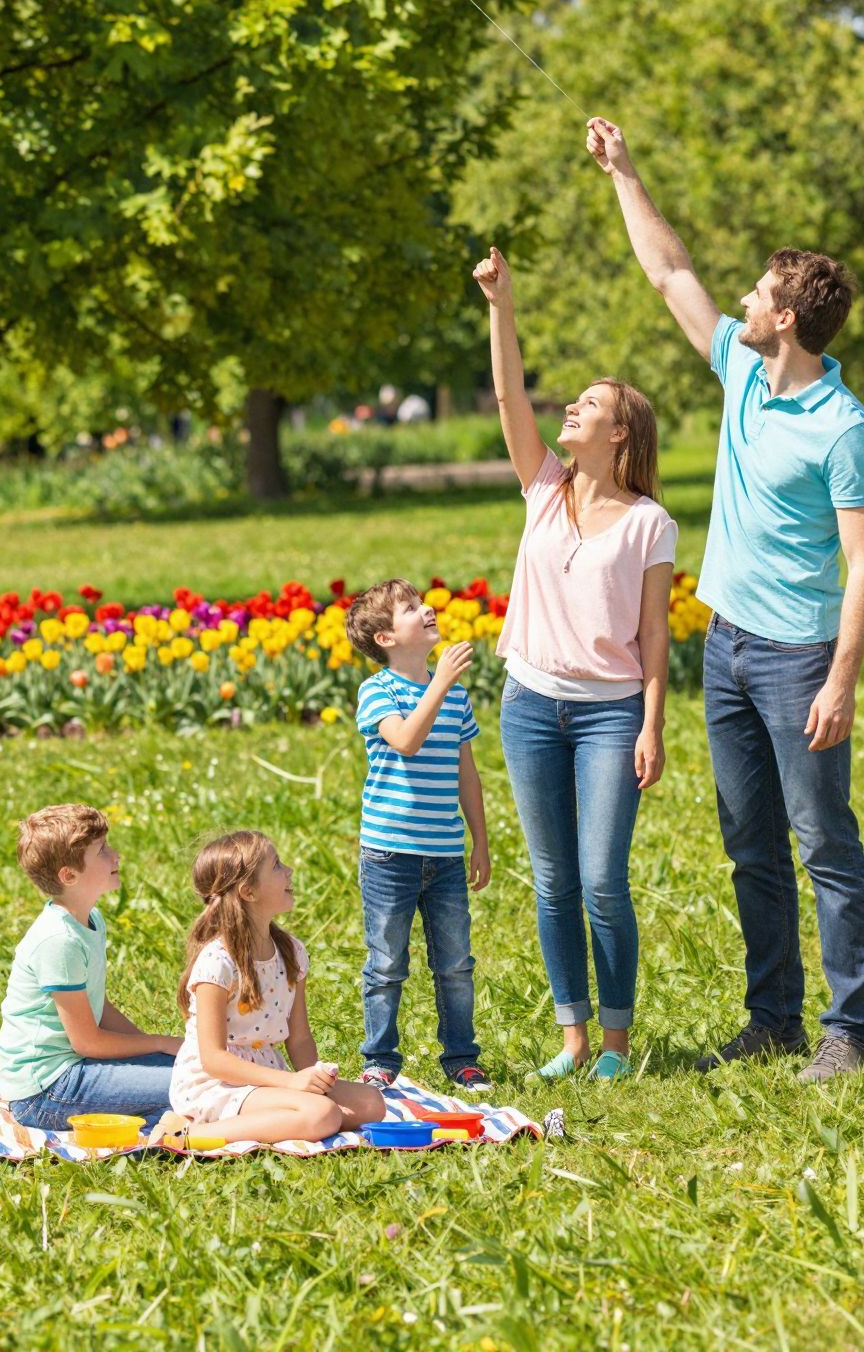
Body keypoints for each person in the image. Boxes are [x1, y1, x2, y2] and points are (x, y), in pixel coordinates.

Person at [586, 116, 864, 1082]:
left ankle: (851, 1029)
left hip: (801, 657)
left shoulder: (844, 429)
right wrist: (625, 172)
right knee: (749, 844)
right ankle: (775, 1018)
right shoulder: (743, 372)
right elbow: (671, 272)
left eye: (758, 293)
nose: (742, 302)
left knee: (822, 843)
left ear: (787, 319)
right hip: (728, 645)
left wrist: (839, 682)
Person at [474, 245, 674, 1083]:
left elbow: (656, 637)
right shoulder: (543, 488)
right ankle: (572, 1041)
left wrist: (653, 723)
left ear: (618, 431)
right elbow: (509, 393)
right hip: (529, 705)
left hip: (609, 714)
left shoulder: (648, 523)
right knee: (552, 882)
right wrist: (501, 303)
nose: (569, 408)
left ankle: (618, 1046)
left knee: (600, 880)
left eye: (587, 405)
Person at [346, 580, 492, 1093]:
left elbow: (466, 771)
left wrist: (480, 840)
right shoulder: (378, 690)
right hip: (389, 853)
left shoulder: (454, 696)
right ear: (386, 637)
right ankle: (380, 1059)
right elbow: (406, 741)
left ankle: (462, 1057)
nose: (427, 608)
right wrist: (441, 683)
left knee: (455, 964)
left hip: (446, 853)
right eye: (411, 608)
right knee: (386, 963)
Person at [162, 829, 384, 1144]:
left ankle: (285, 1119)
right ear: (248, 891)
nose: (289, 871)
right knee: (322, 1114)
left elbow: (300, 1036)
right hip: (215, 1084)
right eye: (277, 866)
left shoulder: (291, 953)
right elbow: (213, 1059)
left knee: (371, 1103)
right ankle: (188, 1132)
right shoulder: (218, 962)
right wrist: (292, 1085)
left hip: (267, 1076)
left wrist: (313, 1079)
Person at [0, 804, 180, 1131]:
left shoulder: (90, 920)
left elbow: (98, 1006)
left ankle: (159, 1118)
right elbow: (88, 1042)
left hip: (76, 1069)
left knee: (188, 1071)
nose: (116, 856)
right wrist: (158, 1043)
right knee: (189, 1089)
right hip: (47, 1093)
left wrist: (154, 1055)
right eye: (102, 851)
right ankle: (160, 1126)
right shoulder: (59, 940)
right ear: (69, 875)